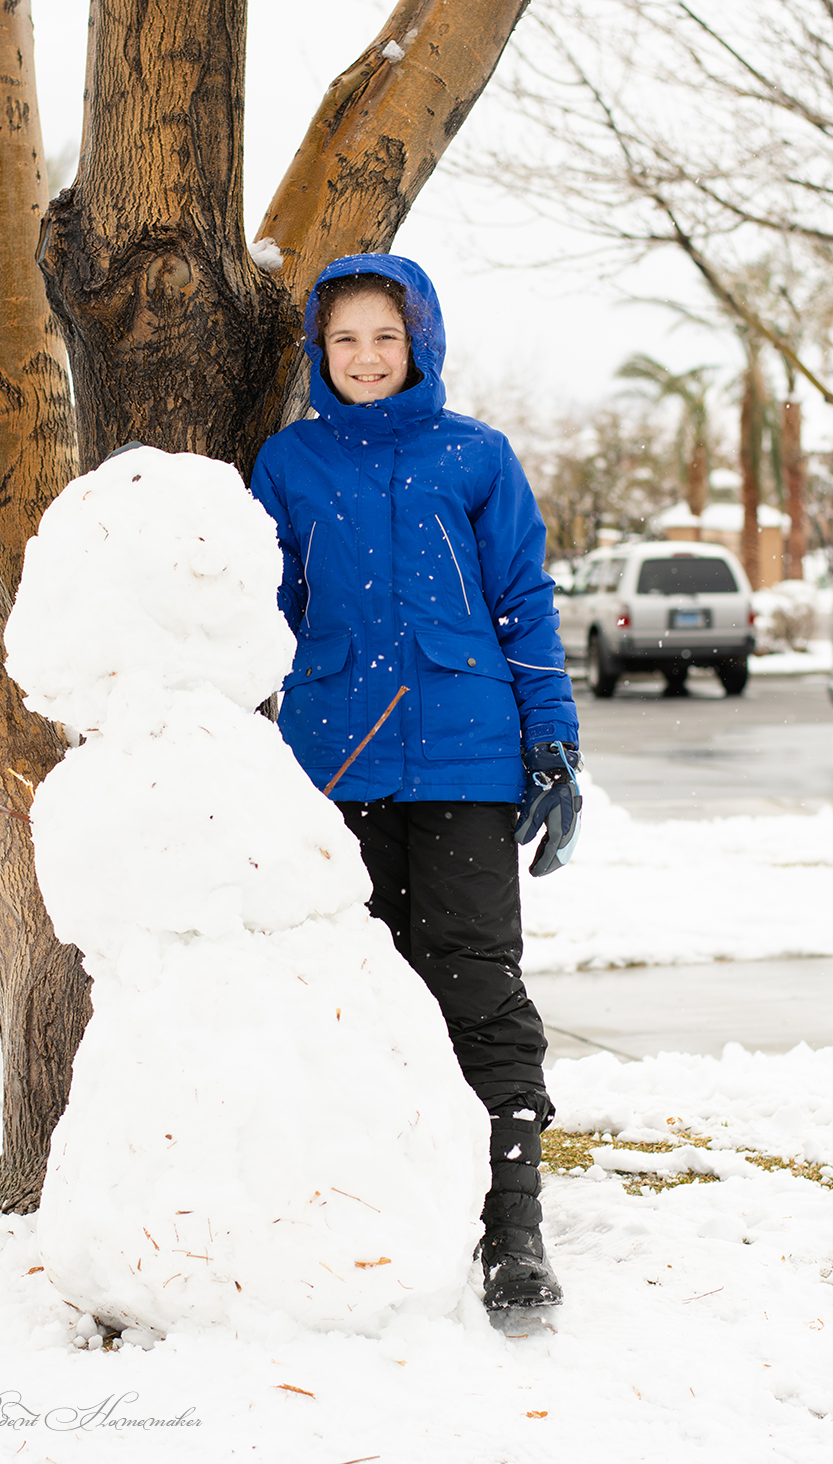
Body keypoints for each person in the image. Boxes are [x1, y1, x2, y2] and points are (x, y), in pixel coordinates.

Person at [249, 253, 582, 1312]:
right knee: (359, 985)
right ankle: (377, 1204)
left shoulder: (475, 457)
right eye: (343, 338)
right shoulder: (290, 463)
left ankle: (511, 1225)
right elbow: (255, 609)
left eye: (384, 338)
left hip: (467, 754)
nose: (364, 357)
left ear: (420, 344)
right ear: (318, 348)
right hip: (334, 757)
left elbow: (522, 601)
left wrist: (553, 741)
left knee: (476, 974)